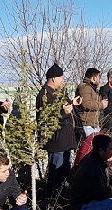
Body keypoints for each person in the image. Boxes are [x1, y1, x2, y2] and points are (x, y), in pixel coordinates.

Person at [35, 64, 80, 200]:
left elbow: (63, 107)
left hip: (65, 140)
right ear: (53, 78)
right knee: (56, 171)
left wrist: (72, 103)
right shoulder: (44, 95)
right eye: (61, 77)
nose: (63, 80)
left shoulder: (59, 93)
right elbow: (45, 118)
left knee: (64, 171)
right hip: (56, 141)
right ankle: (53, 199)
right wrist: (63, 112)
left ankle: (63, 197)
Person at [76, 68, 108, 136]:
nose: (99, 80)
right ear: (93, 78)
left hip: (94, 125)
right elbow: (86, 104)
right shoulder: (84, 87)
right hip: (87, 125)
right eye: (98, 77)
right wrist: (101, 105)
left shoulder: (93, 89)